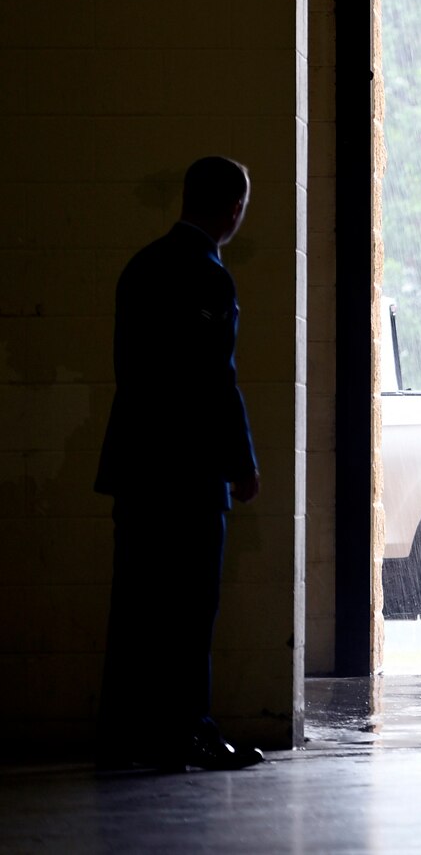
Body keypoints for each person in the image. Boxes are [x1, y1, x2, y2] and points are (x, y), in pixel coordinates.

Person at [95, 156, 265, 772]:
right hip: (189, 475)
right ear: (233, 208)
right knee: (190, 612)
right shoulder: (208, 277)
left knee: (137, 606)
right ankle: (187, 733)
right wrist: (241, 461)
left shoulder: (141, 267)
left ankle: (123, 735)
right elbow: (215, 379)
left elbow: (134, 371)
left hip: (138, 467)